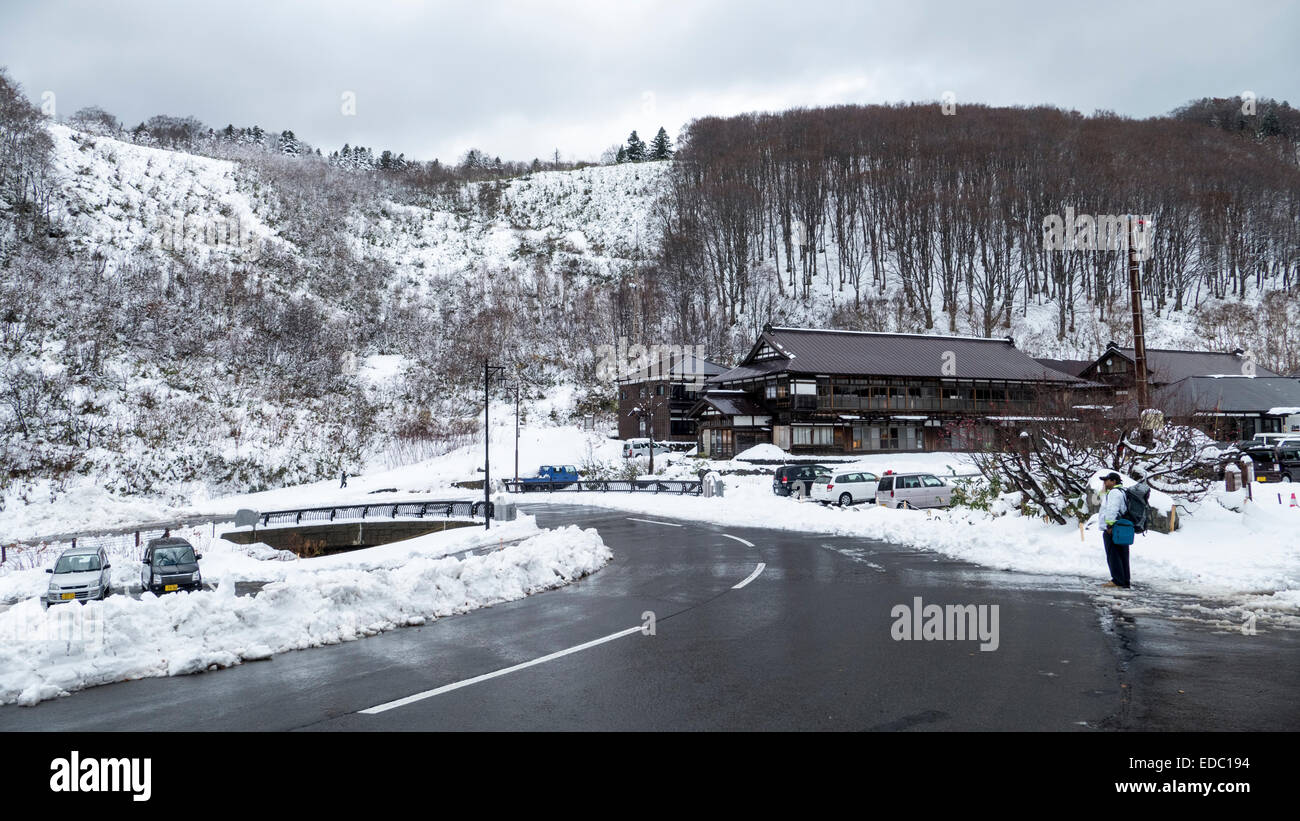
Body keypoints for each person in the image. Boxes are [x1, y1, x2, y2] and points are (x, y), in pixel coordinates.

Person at [1098, 472, 1130, 589]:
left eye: (1107, 480)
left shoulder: (1114, 493)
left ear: (1114, 481)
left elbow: (1112, 509)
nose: (1105, 483)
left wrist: (1109, 526)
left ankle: (1117, 580)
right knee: (1123, 554)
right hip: (1123, 528)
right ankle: (1125, 580)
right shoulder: (1123, 492)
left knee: (1113, 554)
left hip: (1114, 528)